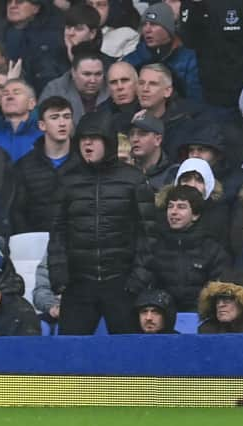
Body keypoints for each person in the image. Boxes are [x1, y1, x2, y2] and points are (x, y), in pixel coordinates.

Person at [48, 111, 155, 335]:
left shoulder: (133, 179)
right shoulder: (67, 180)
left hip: (122, 283)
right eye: (83, 138)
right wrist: (60, 278)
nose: (87, 143)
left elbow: (149, 234)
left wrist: (137, 280)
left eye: (94, 138)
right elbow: (57, 233)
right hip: (78, 284)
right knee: (70, 357)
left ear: (108, 141)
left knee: (127, 358)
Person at [127, 185, 230, 312]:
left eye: (181, 207)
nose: (173, 212)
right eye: (170, 206)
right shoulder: (154, 246)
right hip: (162, 315)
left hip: (201, 316)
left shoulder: (212, 250)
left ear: (195, 215)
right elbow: (141, 285)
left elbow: (218, 290)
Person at [12, 95, 80, 233]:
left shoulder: (84, 161)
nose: (62, 123)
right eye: (55, 118)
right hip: (37, 243)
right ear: (42, 125)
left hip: (77, 242)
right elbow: (17, 212)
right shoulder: (24, 166)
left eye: (66, 117)